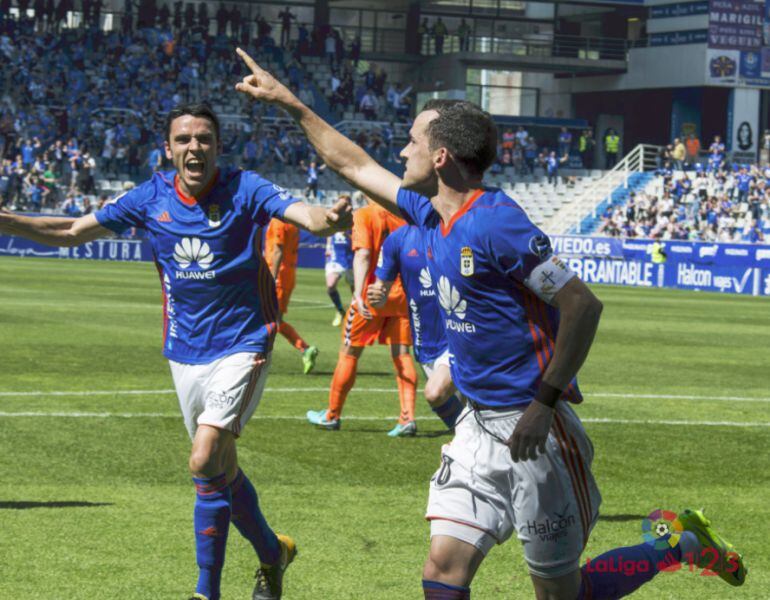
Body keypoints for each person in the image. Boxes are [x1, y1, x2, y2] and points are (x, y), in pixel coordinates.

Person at [233, 47, 747, 599]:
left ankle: (676, 547)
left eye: (412, 141)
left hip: (536, 433)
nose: (401, 149)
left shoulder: (498, 224)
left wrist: (544, 404)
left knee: (562, 595)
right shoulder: (428, 212)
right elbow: (352, 164)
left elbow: (583, 306)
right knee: (441, 572)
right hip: (477, 427)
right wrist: (289, 102)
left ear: (441, 157)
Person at [0, 100, 353, 600]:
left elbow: (306, 215)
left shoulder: (244, 187)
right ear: (168, 149)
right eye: (184, 140)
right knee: (220, 468)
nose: (194, 147)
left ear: (217, 147)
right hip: (185, 350)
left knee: (204, 455)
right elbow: (73, 231)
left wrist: (327, 220)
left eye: (204, 139)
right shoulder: (150, 197)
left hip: (244, 340)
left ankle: (205, 592)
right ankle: (273, 553)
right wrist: (7, 221)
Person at [305, 197, 418, 436]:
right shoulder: (404, 216)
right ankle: (407, 417)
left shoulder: (364, 215)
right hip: (400, 295)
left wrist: (357, 293)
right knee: (402, 354)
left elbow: (364, 254)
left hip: (371, 295)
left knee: (349, 352)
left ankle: (332, 415)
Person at [367, 224, 465, 432]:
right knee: (464, 408)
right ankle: (474, 446)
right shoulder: (398, 239)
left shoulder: (456, 230)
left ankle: (472, 441)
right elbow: (381, 291)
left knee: (435, 393)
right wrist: (376, 297)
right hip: (426, 340)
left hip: (460, 333)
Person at [264, 217, 319, 374]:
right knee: (274, 320)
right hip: (286, 275)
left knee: (269, 320)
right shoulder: (291, 222)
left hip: (279, 277)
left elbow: (278, 249)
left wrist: (271, 279)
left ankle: (259, 357)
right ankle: (304, 349)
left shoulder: (278, 221)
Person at [325, 210, 354, 327]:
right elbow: (328, 234)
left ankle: (353, 315)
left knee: (356, 291)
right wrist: (328, 247)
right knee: (331, 285)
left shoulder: (353, 222)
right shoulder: (334, 221)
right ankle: (340, 310)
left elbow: (358, 238)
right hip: (335, 259)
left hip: (350, 259)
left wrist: (347, 234)